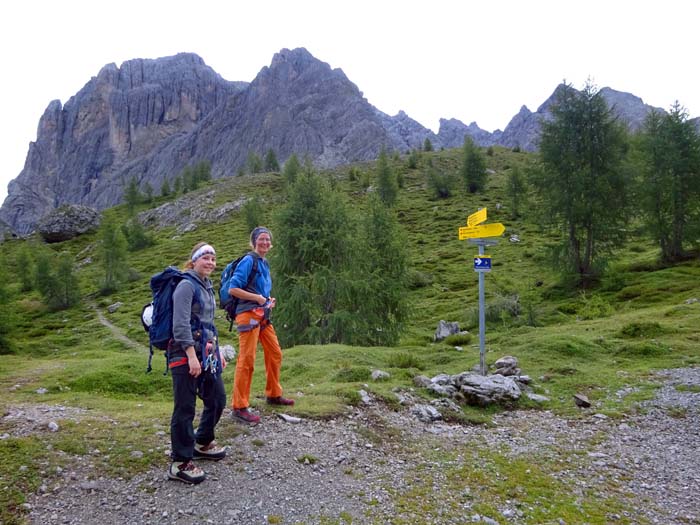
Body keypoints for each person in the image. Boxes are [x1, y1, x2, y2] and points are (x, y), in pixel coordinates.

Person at [168, 242, 227, 484]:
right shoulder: (185, 285)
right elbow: (180, 325)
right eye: (206, 258)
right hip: (184, 354)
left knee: (217, 398)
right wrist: (191, 355)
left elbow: (209, 325)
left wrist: (218, 351)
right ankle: (180, 462)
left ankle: (202, 442)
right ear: (194, 261)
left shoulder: (206, 286)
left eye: (213, 258)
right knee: (185, 407)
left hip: (207, 353)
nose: (211, 263)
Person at [228, 227, 293, 425]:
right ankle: (239, 406)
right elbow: (233, 288)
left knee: (275, 353)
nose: (265, 242)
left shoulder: (263, 263)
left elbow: (260, 292)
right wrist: (257, 298)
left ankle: (273, 394)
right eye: (261, 239)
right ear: (254, 242)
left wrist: (266, 301)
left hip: (262, 315)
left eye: (268, 240)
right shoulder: (249, 261)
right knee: (247, 359)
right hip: (247, 316)